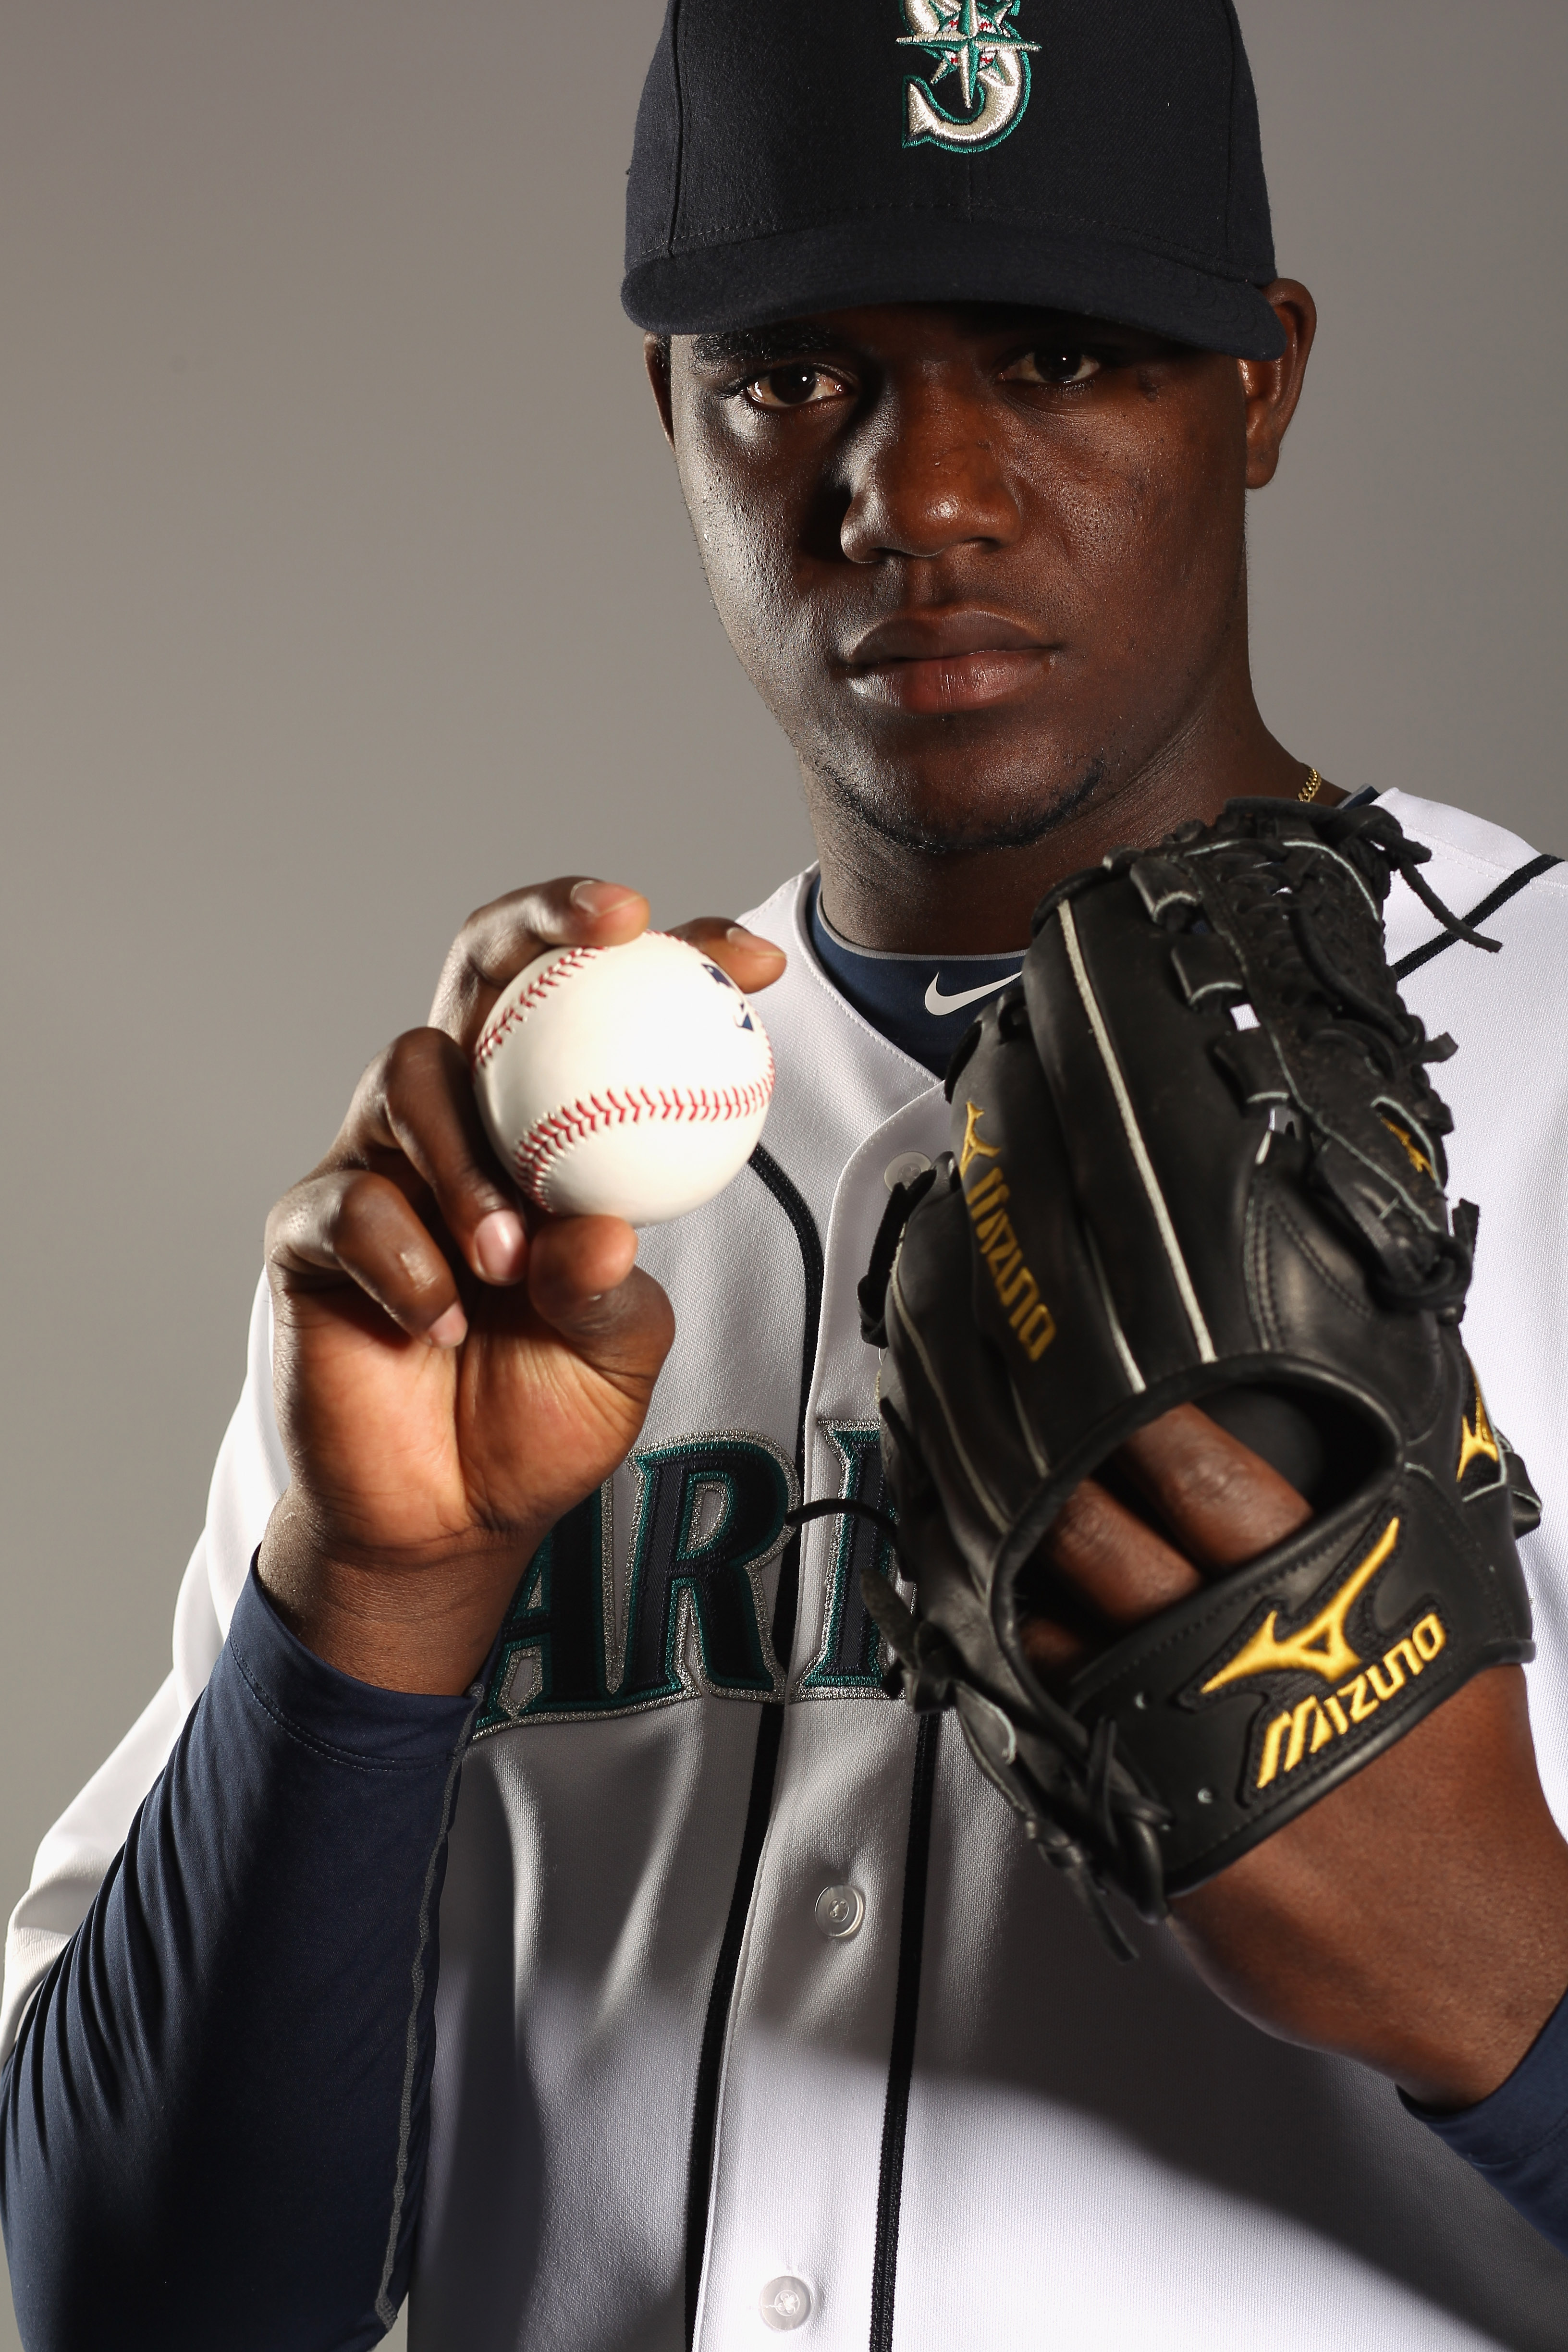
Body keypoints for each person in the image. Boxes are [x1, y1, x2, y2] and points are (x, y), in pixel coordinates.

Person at [5, 3, 1568, 2346]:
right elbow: (124, 2305)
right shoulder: (505, 1223)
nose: (917, 493)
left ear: (1263, 378)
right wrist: (367, 1613)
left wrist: (1517, 2005)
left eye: (1056, 355)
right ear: (675, 413)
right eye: (796, 372)